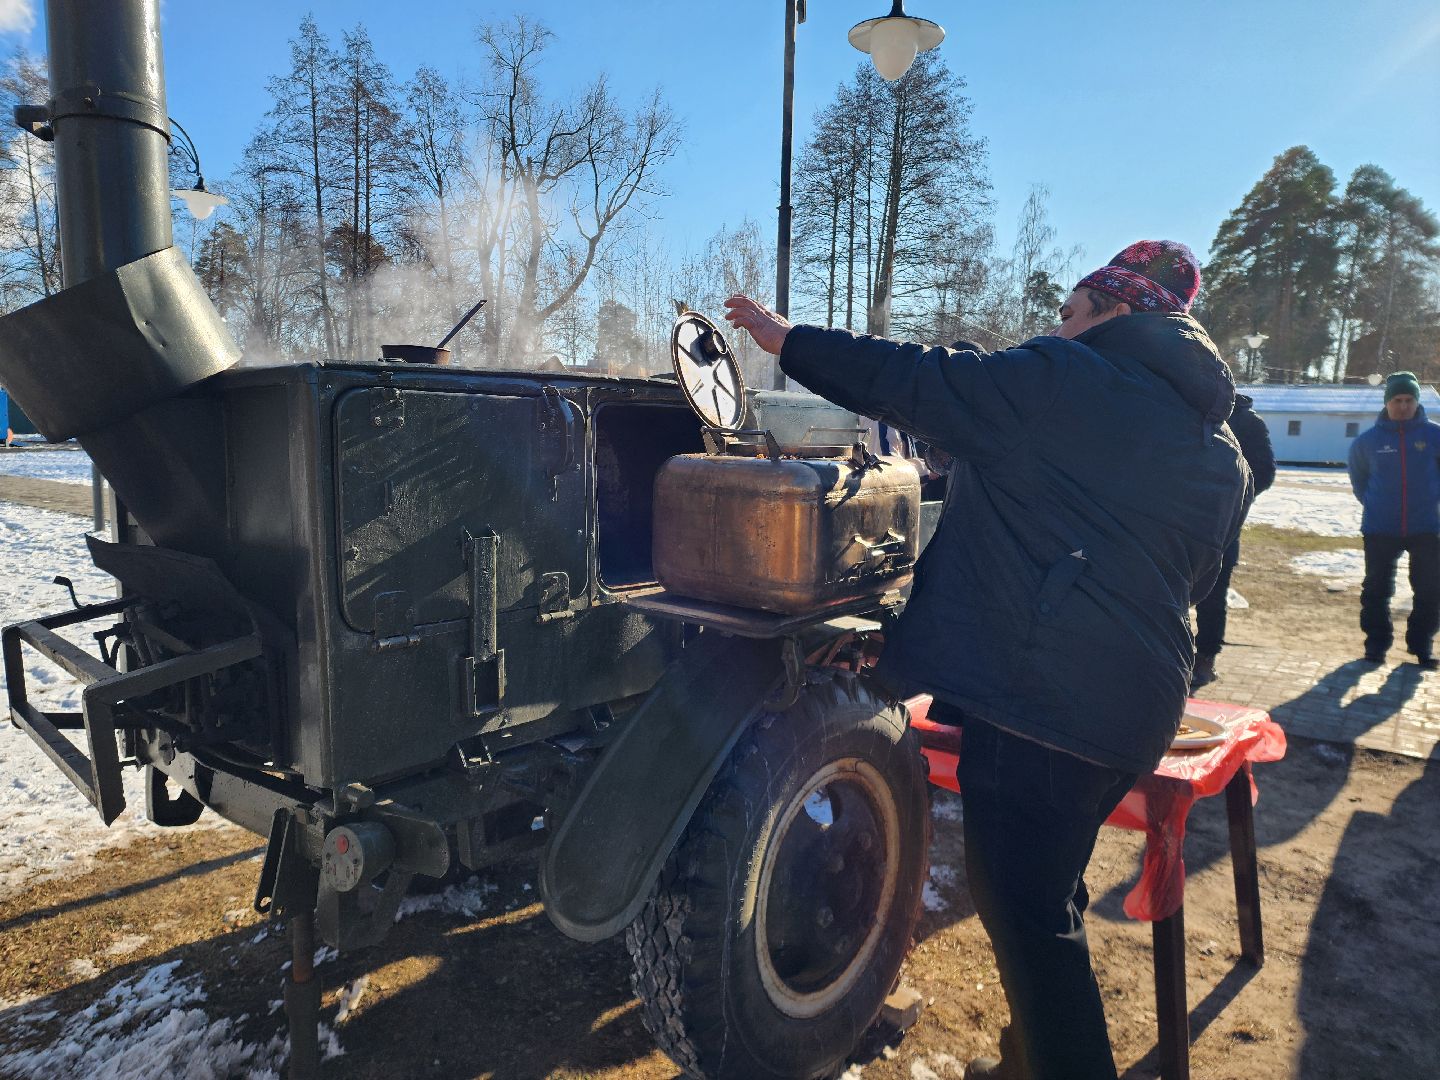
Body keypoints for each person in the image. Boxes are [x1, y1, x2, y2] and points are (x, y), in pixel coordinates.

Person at [724, 240, 1248, 1080]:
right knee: (1053, 895)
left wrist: (792, 342)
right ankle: (1026, 1062)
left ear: (1118, 312)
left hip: (1048, 709)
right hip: (1134, 709)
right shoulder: (1216, 448)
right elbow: (1189, 583)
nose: (1057, 325)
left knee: (1028, 918)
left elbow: (923, 381)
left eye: (1072, 311)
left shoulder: (1066, 380)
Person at [1346, 371, 1440, 669]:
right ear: (1387, 403)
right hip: (1380, 528)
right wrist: (1377, 504)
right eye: (1397, 400)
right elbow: (1360, 482)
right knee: (1376, 589)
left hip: (1428, 527)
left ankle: (1421, 644)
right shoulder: (1367, 442)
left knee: (1429, 589)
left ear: (1417, 401)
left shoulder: (1434, 437)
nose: (1403, 406)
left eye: (1408, 400)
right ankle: (1376, 645)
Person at [1191, 393, 1276, 688]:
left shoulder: (1247, 422)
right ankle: (1171, 653)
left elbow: (1264, 472)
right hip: (1177, 522)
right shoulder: (1183, 408)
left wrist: (1230, 498)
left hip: (1222, 526)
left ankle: (1205, 657)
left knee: (1213, 595)